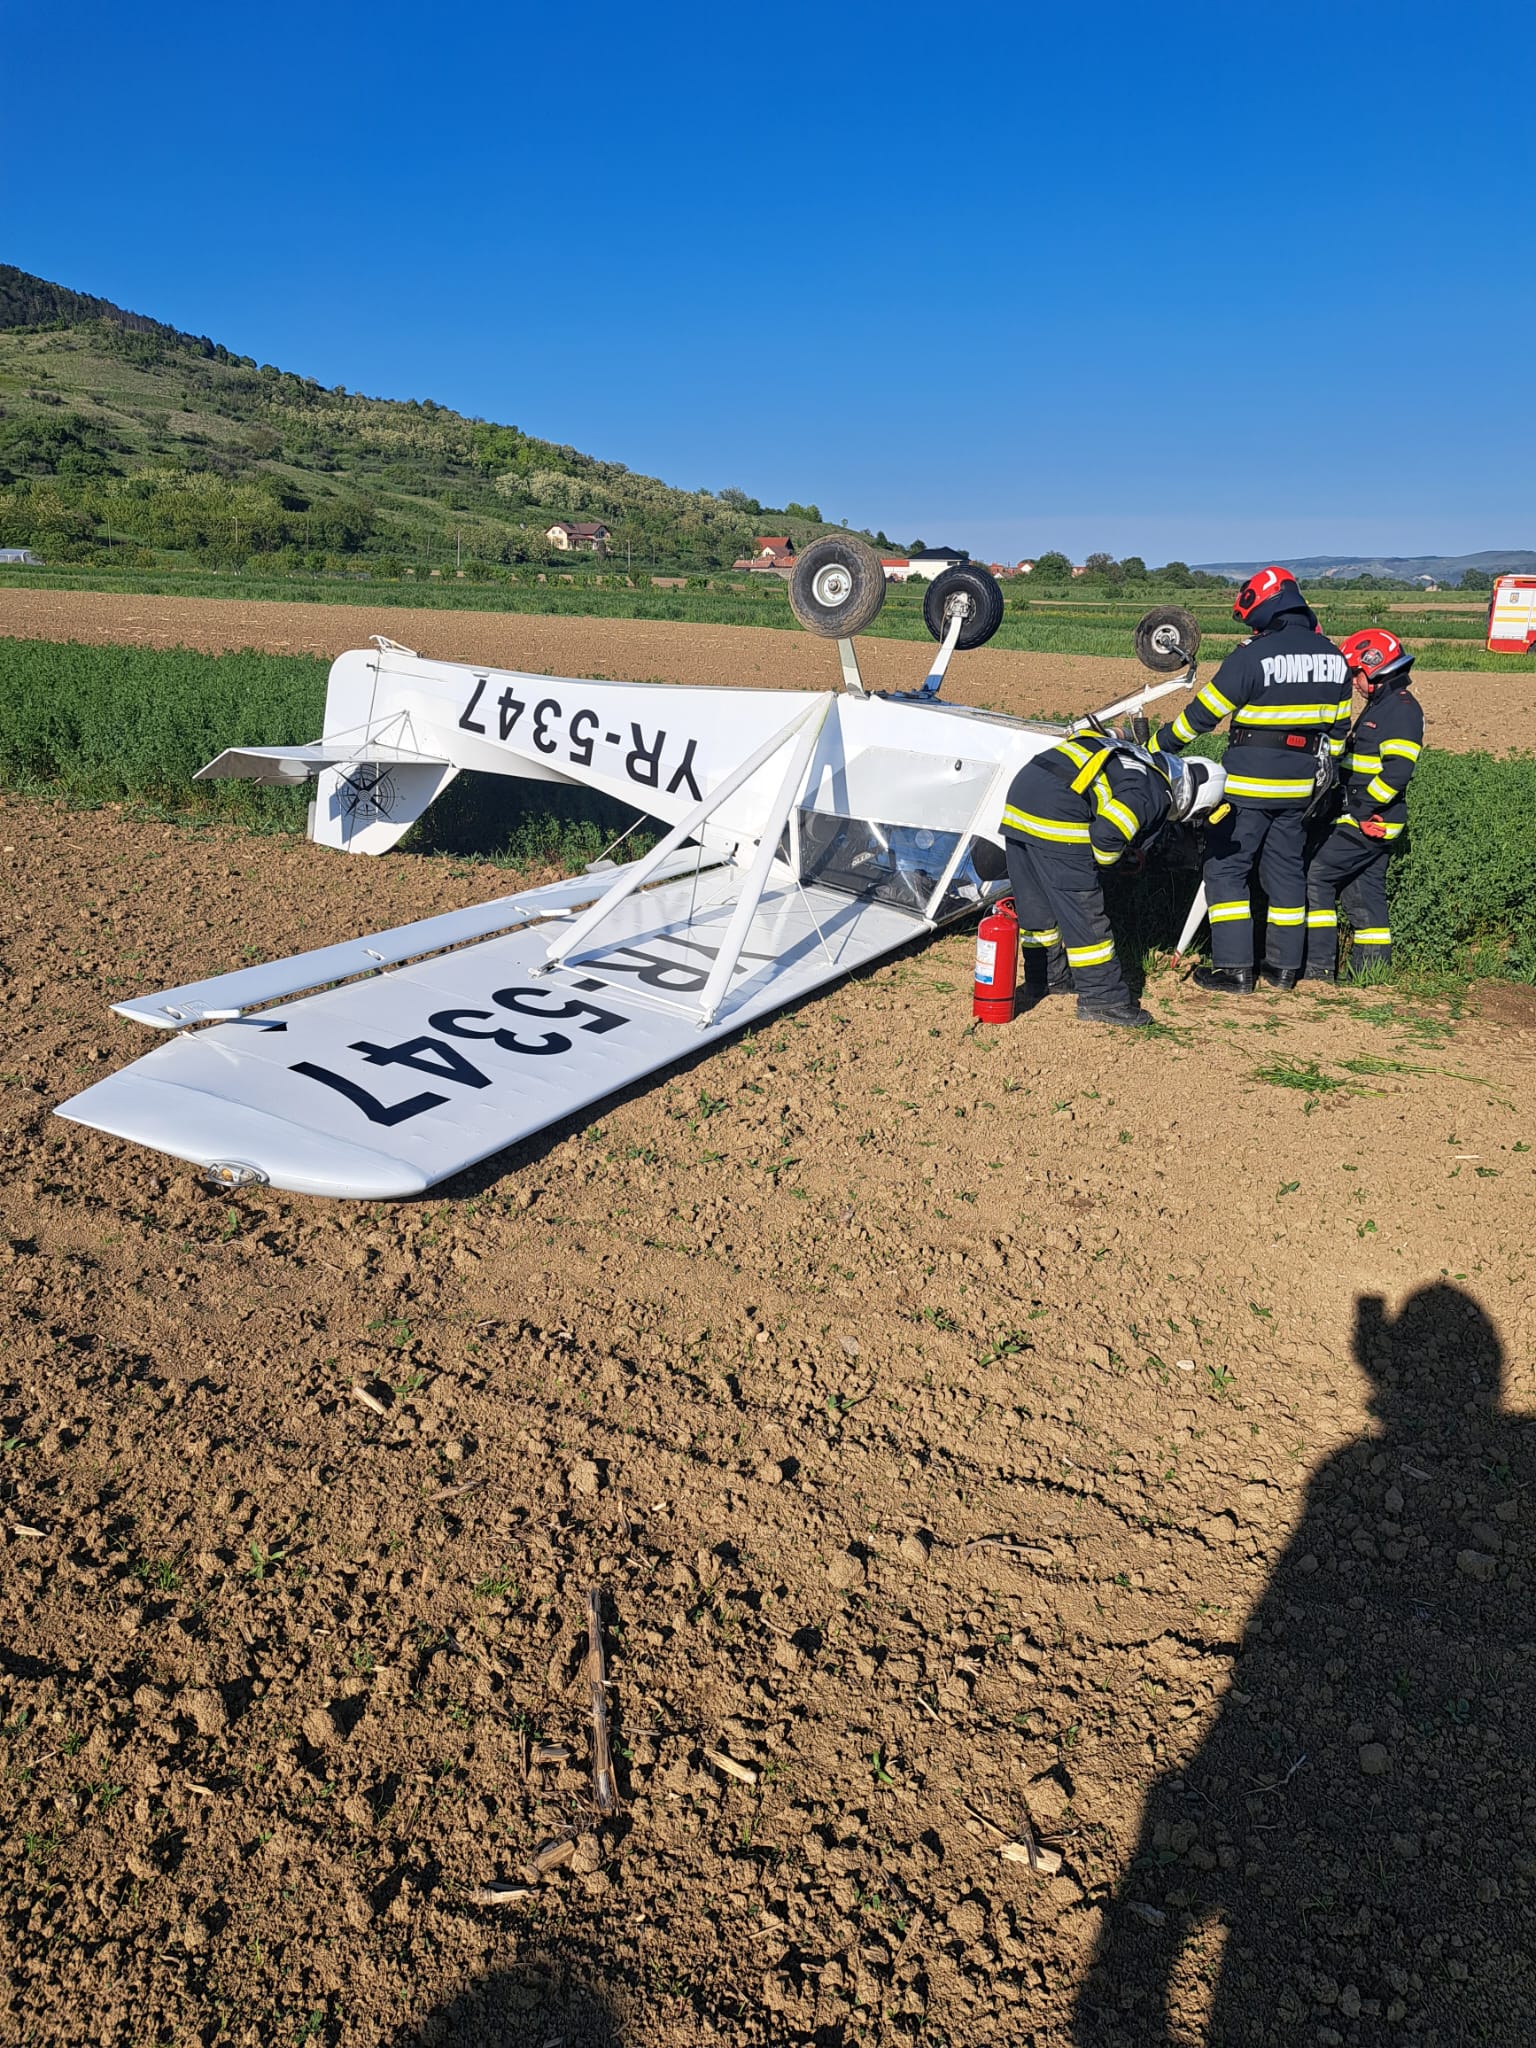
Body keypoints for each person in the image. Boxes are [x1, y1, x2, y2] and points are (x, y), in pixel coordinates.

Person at [1152, 565, 1351, 993]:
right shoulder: (1335, 659)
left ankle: (1234, 970)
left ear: (1267, 604)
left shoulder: (1254, 655)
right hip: (1300, 791)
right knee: (1285, 877)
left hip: (1247, 787)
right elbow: (1337, 734)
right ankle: (1282, 972)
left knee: (1225, 870)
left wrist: (1159, 744)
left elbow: (1203, 715)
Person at [999, 733, 1226, 1029]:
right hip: (1058, 808)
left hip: (1022, 794)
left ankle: (1046, 978)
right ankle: (1103, 999)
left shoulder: (1136, 758)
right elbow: (1106, 838)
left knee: (1035, 905)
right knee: (1084, 912)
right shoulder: (1155, 792)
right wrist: (1115, 861)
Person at [1302, 627, 1424, 980]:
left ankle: (1319, 970)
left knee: (1317, 876)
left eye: (1356, 672)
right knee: (1363, 892)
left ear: (1374, 667)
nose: (1354, 682)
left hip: (1370, 819)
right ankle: (1372, 974)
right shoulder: (1384, 704)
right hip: (1372, 818)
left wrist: (1361, 810)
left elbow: (1398, 773)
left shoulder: (1399, 711)